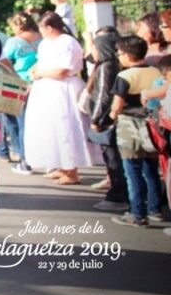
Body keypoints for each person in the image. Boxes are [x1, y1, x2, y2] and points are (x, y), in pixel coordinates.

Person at [23, 12, 93, 185]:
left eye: (41, 27)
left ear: (49, 27)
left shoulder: (67, 42)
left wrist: (39, 73)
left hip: (63, 89)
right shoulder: (46, 43)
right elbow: (40, 62)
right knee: (51, 129)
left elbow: (62, 71)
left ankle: (71, 170)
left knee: (66, 128)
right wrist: (34, 70)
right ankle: (60, 166)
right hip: (47, 89)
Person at [108, 35, 162, 227]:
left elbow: (117, 105)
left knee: (132, 170)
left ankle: (137, 213)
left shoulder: (124, 76)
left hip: (129, 126)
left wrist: (111, 117)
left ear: (129, 55)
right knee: (151, 170)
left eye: (120, 53)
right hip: (151, 123)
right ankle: (156, 209)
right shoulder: (155, 71)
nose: (118, 56)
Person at [88, 27, 128, 212]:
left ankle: (117, 195)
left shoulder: (106, 67)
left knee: (112, 159)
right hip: (116, 120)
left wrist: (96, 120)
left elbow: (104, 96)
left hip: (107, 122)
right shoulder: (116, 64)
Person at [1, 12, 42, 175]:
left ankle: (25, 161)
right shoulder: (42, 37)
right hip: (42, 83)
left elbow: (3, 61)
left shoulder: (14, 42)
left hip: (21, 84)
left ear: (18, 25)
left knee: (21, 122)